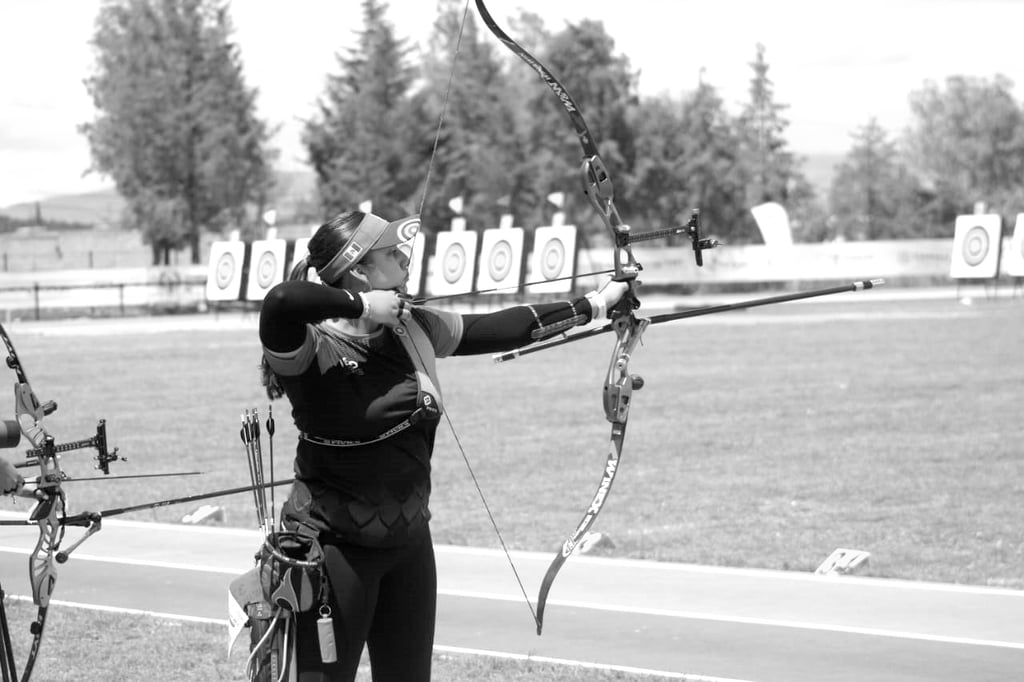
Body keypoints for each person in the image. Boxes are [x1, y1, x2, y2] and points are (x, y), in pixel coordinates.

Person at [258, 210, 627, 681]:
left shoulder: (413, 329)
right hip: (332, 550)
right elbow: (282, 300)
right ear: (359, 272)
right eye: (391, 254)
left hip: (408, 543)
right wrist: (364, 307)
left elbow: (498, 327)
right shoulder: (309, 350)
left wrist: (596, 303)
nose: (404, 260)